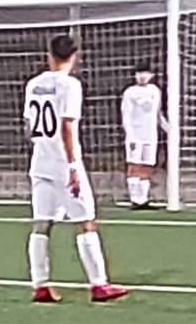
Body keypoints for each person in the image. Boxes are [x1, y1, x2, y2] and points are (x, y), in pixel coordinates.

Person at [23, 34, 129, 304]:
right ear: (74, 57)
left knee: (41, 224)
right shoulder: (70, 85)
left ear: (49, 55)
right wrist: (72, 166)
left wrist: (42, 147)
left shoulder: (34, 84)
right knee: (86, 221)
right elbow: (67, 126)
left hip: (40, 162)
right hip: (63, 164)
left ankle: (40, 285)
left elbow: (29, 125)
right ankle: (99, 284)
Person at [120, 64, 167, 210]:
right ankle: (134, 198)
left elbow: (157, 112)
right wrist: (130, 134)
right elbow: (126, 114)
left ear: (151, 75)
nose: (142, 76)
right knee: (134, 164)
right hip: (135, 135)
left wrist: (166, 127)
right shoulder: (130, 92)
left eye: (145, 73)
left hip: (150, 135)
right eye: (139, 73)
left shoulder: (154, 91)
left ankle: (144, 198)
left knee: (148, 165)